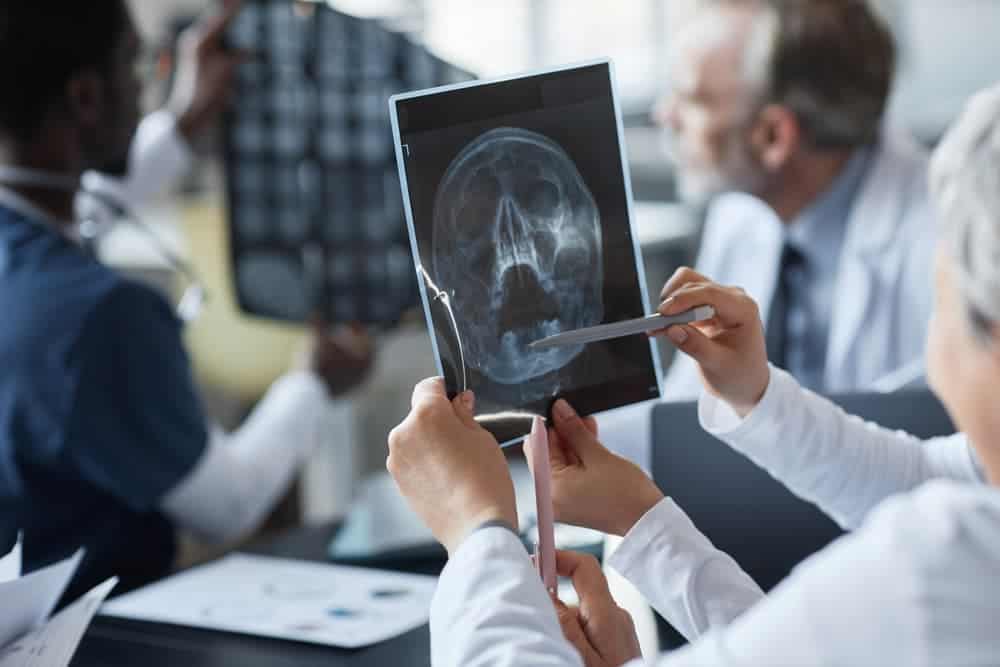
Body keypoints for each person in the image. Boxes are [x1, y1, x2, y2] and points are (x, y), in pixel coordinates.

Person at [386, 82, 1000, 665]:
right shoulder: (973, 529)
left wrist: (476, 535)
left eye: (940, 287)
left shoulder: (934, 569)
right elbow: (923, 477)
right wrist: (649, 514)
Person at [0, 0, 373, 601]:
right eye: (136, 65)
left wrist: (184, 119)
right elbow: (224, 505)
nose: (146, 85)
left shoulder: (26, 261)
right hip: (95, 638)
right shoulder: (99, 318)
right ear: (86, 97)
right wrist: (314, 383)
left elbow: (85, 202)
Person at [602, 0, 936, 468]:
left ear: (774, 136)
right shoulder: (743, 214)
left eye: (693, 98)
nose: (665, 115)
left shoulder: (943, 241)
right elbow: (685, 418)